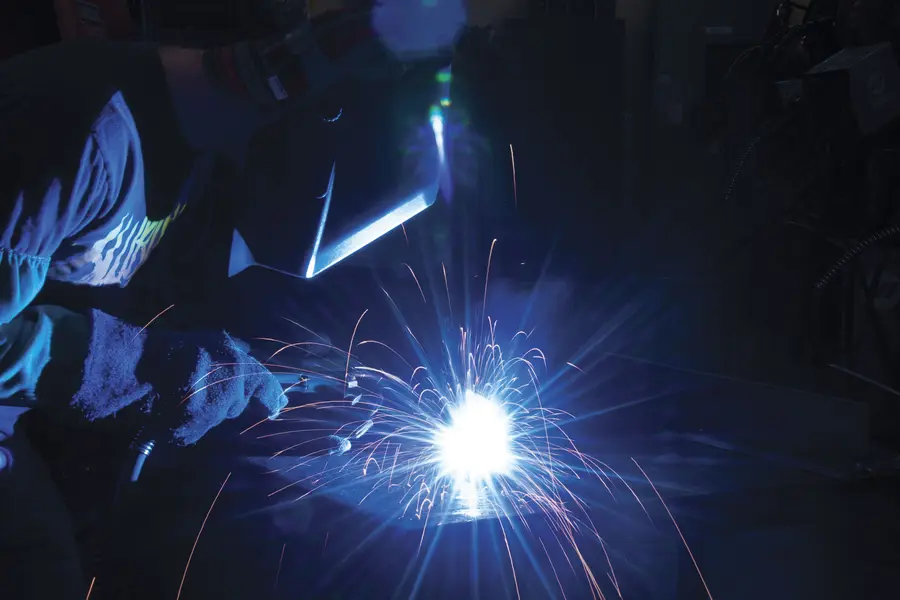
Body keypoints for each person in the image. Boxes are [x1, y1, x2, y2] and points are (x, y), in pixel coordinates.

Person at [0, 3, 467, 597]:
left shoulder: (201, 156)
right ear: (314, 126)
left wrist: (270, 381)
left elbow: (153, 315)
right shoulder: (81, 133)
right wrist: (152, 372)